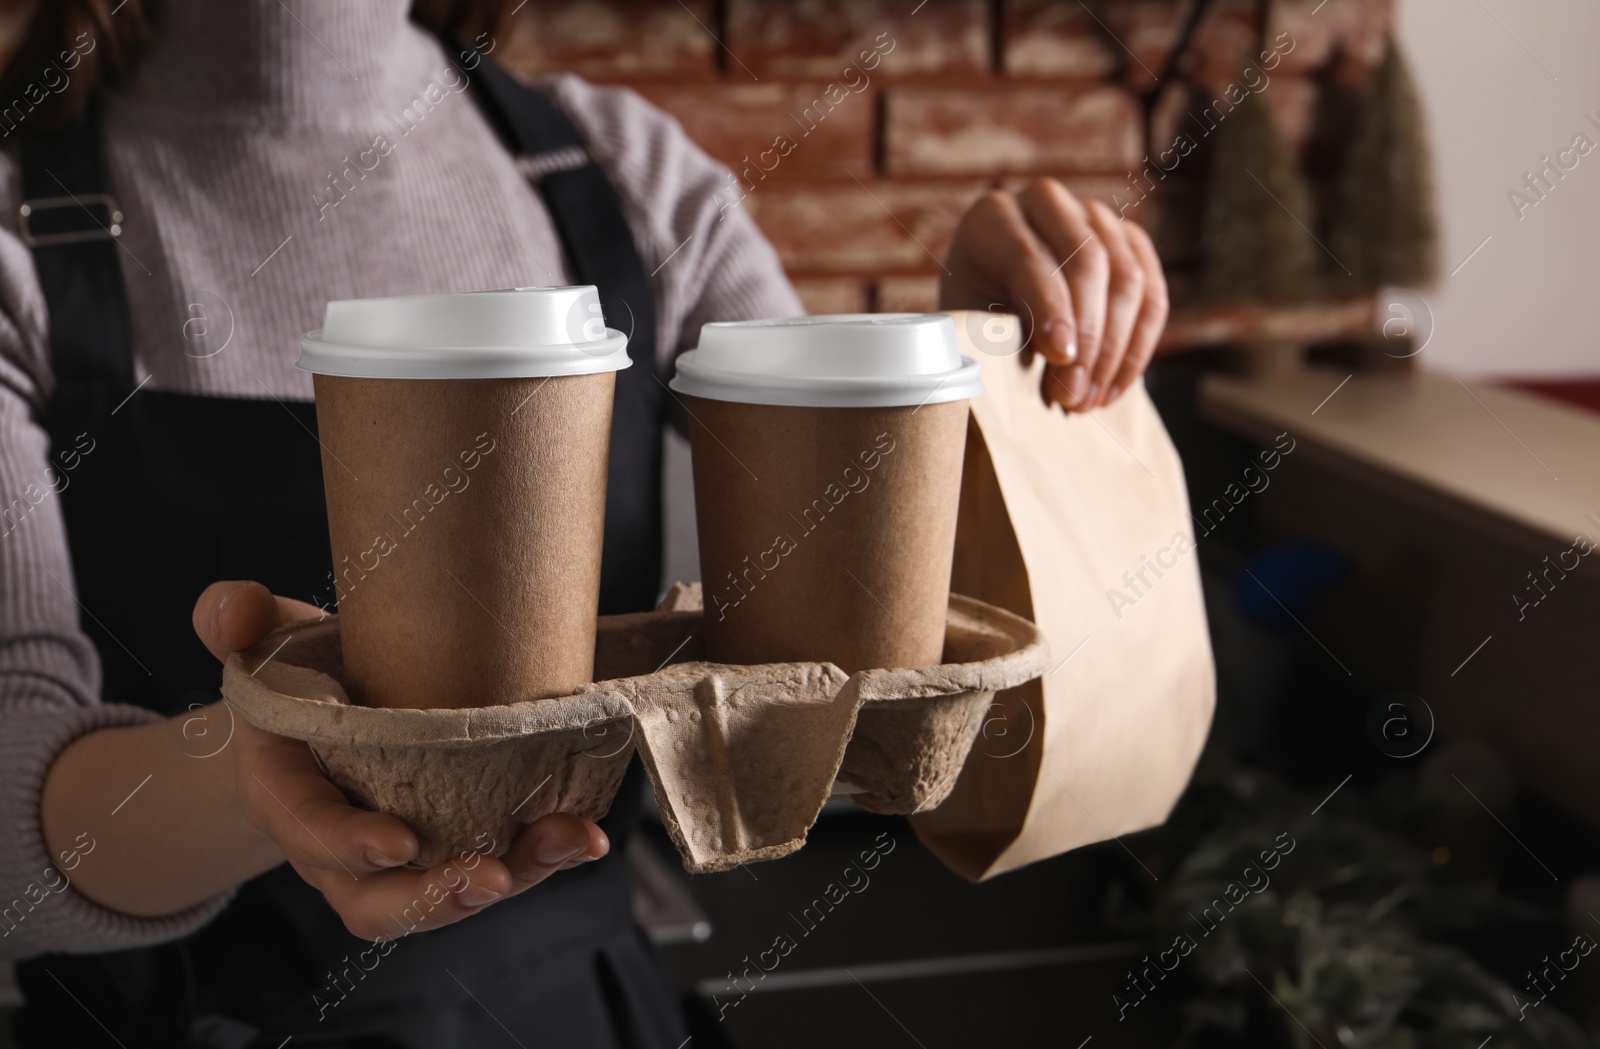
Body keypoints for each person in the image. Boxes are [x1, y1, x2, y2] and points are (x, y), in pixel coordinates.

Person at [0, 1, 1169, 1045]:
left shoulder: (617, 170)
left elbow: (855, 638)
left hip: (567, 1004)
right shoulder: (18, 212)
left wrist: (975, 352)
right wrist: (253, 771)